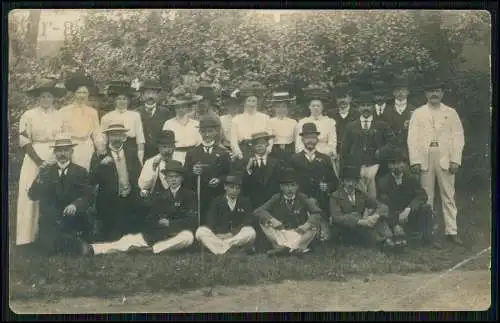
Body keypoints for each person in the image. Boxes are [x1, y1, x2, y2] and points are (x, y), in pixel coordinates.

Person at [89, 160, 196, 255]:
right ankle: (94, 249)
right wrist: (158, 222)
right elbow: (151, 218)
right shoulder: (160, 195)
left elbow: (192, 219)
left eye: (176, 177)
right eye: (170, 177)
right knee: (128, 239)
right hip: (159, 234)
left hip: (178, 233)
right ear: (166, 178)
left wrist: (171, 224)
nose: (173, 180)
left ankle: (151, 250)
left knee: (188, 237)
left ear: (182, 178)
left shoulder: (189, 195)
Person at [407, 80, 465, 245]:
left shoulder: (451, 113)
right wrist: (415, 161)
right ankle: (429, 233)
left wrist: (455, 159)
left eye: (437, 91)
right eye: (431, 91)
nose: (434, 94)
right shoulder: (418, 113)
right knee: (427, 196)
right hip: (425, 157)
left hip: (445, 156)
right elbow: (412, 138)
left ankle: (451, 231)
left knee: (448, 195)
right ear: (426, 94)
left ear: (442, 93)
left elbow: (458, 137)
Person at [16, 79, 66, 246]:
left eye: (49, 96)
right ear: (38, 98)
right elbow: (24, 141)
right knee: (30, 192)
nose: (46, 99)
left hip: (55, 155)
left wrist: (56, 158)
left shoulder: (59, 115)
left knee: (52, 194)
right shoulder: (28, 115)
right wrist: (39, 161)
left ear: (53, 98)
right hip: (34, 157)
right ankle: (27, 236)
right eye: (43, 96)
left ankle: (49, 235)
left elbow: (63, 138)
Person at [27, 136, 93, 255]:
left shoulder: (81, 171)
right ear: (55, 152)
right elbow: (33, 195)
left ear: (72, 152)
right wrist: (39, 179)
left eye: (66, 150)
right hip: (52, 220)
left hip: (73, 218)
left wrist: (75, 205)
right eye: (59, 150)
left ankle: (73, 242)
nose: (63, 154)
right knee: (48, 249)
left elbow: (88, 196)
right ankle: (65, 243)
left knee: (73, 247)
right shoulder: (46, 172)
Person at [377, 147, 441, 248]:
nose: (397, 166)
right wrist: (396, 223)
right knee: (384, 215)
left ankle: (428, 239)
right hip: (393, 218)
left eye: (400, 163)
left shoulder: (411, 179)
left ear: (404, 164)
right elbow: (385, 205)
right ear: (389, 166)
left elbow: (422, 196)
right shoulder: (383, 182)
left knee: (426, 208)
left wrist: (409, 208)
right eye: (393, 163)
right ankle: (397, 237)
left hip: (409, 215)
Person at [89, 123, 143, 241]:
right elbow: (91, 179)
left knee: (132, 235)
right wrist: (101, 165)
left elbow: (140, 175)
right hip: (109, 202)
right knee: (112, 236)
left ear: (124, 137)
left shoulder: (131, 152)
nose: (117, 138)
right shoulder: (99, 155)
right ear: (108, 137)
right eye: (113, 135)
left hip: (129, 199)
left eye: (120, 135)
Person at [254, 169, 324, 256]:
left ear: (297, 187)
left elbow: (317, 212)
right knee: (264, 223)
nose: (290, 189)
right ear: (281, 187)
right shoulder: (276, 198)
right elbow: (258, 211)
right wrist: (272, 220)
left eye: (293, 185)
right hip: (281, 232)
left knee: (313, 227)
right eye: (286, 186)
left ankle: (284, 249)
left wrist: (307, 225)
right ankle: (295, 249)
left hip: (298, 232)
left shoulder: (302, 197)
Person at [341, 90, 395, 199]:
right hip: (357, 166)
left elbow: (392, 143)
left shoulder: (381, 125)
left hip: (376, 165)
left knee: (374, 188)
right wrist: (345, 168)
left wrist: (381, 151)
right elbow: (344, 149)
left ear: (373, 107)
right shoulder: (351, 126)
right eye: (363, 105)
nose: (366, 108)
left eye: (369, 105)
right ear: (358, 108)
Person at [290, 122, 338, 241]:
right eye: (307, 138)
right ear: (302, 140)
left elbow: (334, 181)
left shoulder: (325, 158)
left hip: (320, 201)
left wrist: (327, 186)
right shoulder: (294, 159)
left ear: (317, 139)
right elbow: (290, 181)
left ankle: (320, 228)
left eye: (312, 137)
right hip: (301, 201)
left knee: (323, 236)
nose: (310, 141)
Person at [329, 166, 395, 250]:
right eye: (348, 180)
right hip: (344, 231)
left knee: (379, 219)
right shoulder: (335, 196)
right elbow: (337, 218)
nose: (351, 184)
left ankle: (389, 239)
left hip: (361, 226)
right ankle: (384, 242)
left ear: (357, 182)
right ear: (342, 181)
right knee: (366, 231)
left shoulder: (360, 194)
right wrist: (360, 221)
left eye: (353, 181)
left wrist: (375, 216)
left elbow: (381, 206)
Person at [184, 117, 231, 224]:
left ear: (216, 132)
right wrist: (193, 172)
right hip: (198, 196)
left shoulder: (223, 153)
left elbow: (228, 175)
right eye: (204, 131)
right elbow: (185, 176)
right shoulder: (192, 153)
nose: (207, 135)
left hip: (217, 194)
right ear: (200, 132)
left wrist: (219, 180)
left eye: (210, 131)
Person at [195, 174, 256, 255]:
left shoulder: (245, 202)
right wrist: (219, 233)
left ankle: (221, 249)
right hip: (219, 236)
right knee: (200, 231)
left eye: (238, 188)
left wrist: (232, 233)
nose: (235, 190)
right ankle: (227, 249)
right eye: (232, 187)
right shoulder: (216, 201)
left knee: (250, 232)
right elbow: (211, 219)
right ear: (225, 187)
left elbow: (247, 220)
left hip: (236, 235)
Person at [60, 72, 103, 171]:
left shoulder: (92, 112)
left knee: (86, 173)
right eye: (79, 92)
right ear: (74, 94)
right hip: (71, 147)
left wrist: (100, 148)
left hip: (87, 147)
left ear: (88, 94)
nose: (82, 95)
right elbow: (61, 133)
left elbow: (97, 133)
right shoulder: (64, 111)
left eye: (84, 93)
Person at [295, 84, 338, 176]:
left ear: (322, 107)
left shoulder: (330, 122)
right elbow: (298, 145)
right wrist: (308, 156)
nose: (316, 108)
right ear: (309, 107)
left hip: (325, 156)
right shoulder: (302, 122)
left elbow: (332, 144)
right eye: (313, 105)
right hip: (306, 156)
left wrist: (322, 155)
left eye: (318, 106)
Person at [101, 80, 146, 165]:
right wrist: (105, 155)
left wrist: (140, 157)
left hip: (131, 147)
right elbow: (104, 139)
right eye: (119, 99)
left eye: (124, 99)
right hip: (113, 148)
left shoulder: (135, 115)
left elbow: (140, 138)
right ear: (114, 100)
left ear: (129, 101)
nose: (121, 101)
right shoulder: (106, 117)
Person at [230, 81, 272, 168]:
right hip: (244, 151)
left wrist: (267, 151)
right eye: (249, 100)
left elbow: (270, 137)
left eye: (254, 100)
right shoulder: (236, 119)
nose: (251, 102)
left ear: (257, 102)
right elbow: (233, 141)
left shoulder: (265, 118)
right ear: (244, 102)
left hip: (262, 151)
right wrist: (240, 155)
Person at [162, 88, 203, 165]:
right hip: (175, 156)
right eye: (178, 107)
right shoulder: (168, 123)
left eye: (183, 107)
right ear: (174, 108)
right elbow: (165, 144)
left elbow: (200, 143)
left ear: (187, 108)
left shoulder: (195, 124)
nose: (180, 109)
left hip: (192, 156)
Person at [242, 132, 282, 209]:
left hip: (271, 202)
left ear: (267, 144)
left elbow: (278, 182)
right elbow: (243, 183)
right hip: (252, 202)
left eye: (262, 143)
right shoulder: (246, 161)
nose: (260, 146)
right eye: (256, 144)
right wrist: (248, 170)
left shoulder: (275, 162)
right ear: (252, 146)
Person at [137, 80, 172, 160]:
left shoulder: (165, 112)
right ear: (142, 96)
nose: (151, 96)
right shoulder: (136, 113)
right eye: (148, 93)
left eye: (153, 93)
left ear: (158, 96)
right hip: (141, 154)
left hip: (159, 153)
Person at [138, 130, 176, 194]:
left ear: (174, 147)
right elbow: (143, 186)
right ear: (158, 147)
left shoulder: (180, 160)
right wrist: (153, 169)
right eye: (164, 147)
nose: (167, 150)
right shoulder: (150, 162)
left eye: (170, 146)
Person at [384, 77, 416, 152]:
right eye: (398, 90)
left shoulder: (414, 110)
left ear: (408, 92)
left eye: (403, 90)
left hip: (410, 148)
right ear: (393, 93)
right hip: (391, 149)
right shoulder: (387, 110)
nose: (400, 92)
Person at [267, 91, 298, 168]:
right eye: (278, 107)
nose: (281, 109)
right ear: (274, 108)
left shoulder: (293, 122)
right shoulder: (270, 122)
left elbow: (296, 139)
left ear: (288, 108)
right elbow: (270, 139)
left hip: (290, 150)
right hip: (274, 150)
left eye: (283, 106)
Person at [330, 82, 359, 160]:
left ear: (350, 98)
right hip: (335, 153)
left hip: (353, 153)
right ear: (336, 99)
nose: (342, 100)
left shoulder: (358, 114)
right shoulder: (330, 115)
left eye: (345, 97)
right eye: (339, 97)